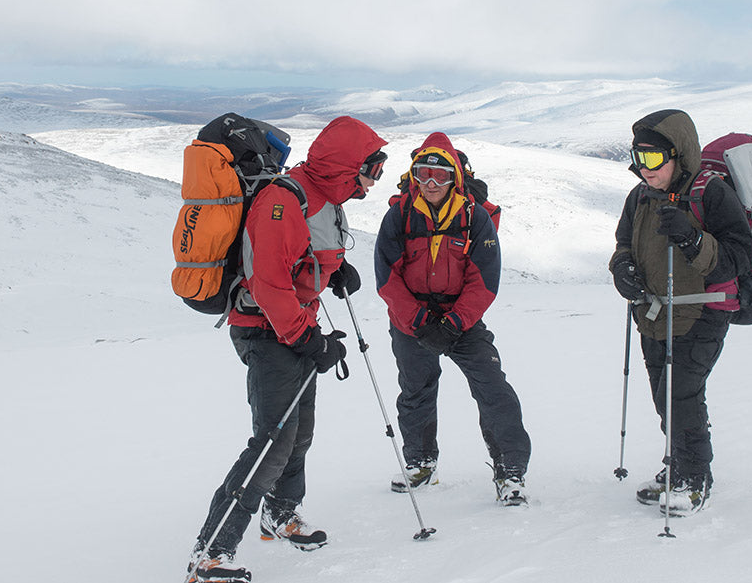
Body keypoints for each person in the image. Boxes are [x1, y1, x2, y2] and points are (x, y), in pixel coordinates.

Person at [186, 116, 387, 583]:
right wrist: (307, 340)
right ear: (345, 165)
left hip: (294, 326)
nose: (372, 181)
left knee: (299, 434)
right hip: (265, 329)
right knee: (272, 441)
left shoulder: (325, 197)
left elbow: (300, 260)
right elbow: (270, 283)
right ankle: (211, 551)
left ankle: (280, 513)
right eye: (370, 169)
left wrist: (332, 272)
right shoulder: (284, 199)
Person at [374, 132, 531, 505]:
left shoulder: (474, 218)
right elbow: (387, 278)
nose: (430, 183)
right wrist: (420, 322)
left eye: (440, 176)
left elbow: (484, 280)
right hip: (412, 321)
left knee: (492, 388)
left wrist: (453, 324)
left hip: (461, 321)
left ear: (454, 180)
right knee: (416, 391)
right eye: (423, 173)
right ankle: (421, 464)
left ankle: (510, 472)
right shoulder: (399, 216)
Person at [608, 109, 752, 515]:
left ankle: (693, 479)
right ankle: (679, 467)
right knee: (663, 394)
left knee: (681, 393)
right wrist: (623, 270)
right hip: (654, 311)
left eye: (653, 159)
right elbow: (623, 245)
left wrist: (692, 240)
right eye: (637, 158)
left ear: (678, 155)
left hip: (703, 310)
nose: (643, 169)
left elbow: (738, 257)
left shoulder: (710, 193)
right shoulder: (639, 196)